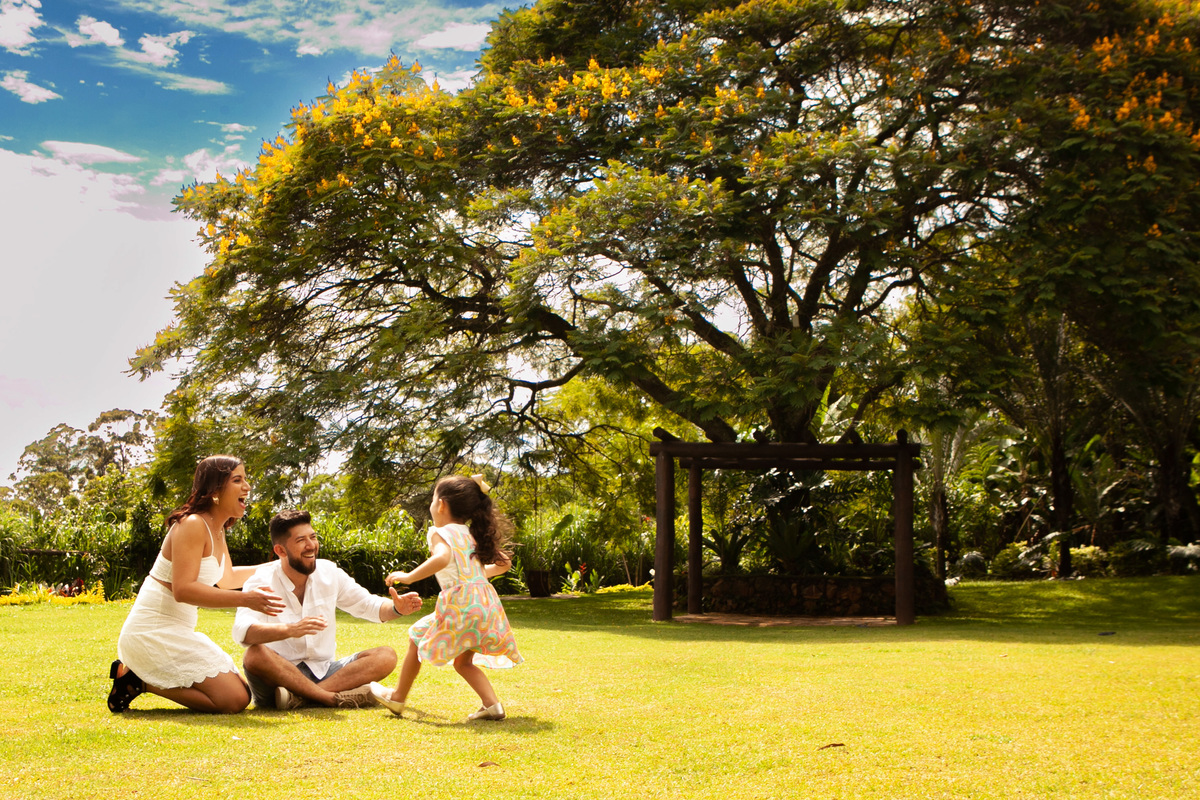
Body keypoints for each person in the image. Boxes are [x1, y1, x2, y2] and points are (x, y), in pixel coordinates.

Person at [108, 455, 286, 714]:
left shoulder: (217, 527)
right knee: (234, 700)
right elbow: (184, 590)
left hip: (178, 632)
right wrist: (246, 599)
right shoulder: (192, 524)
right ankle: (138, 680)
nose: (247, 486)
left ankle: (137, 679)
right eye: (238, 480)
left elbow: (226, 579)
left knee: (242, 693)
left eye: (246, 479)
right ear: (215, 489)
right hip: (152, 633)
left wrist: (280, 565)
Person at [231, 509, 424, 709]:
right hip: (279, 676)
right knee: (254, 655)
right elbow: (242, 632)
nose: (311, 546)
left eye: (313, 537)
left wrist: (397, 608)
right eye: (301, 540)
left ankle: (302, 698)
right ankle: (331, 698)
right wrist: (290, 629)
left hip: (323, 671)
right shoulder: (260, 581)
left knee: (386, 656)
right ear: (280, 551)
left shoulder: (328, 572)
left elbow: (368, 605)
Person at [370, 474, 523, 721]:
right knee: (463, 662)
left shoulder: (441, 533)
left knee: (416, 636)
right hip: (485, 605)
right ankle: (492, 705)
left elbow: (441, 558)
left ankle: (397, 698)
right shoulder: (471, 534)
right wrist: (479, 576)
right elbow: (503, 563)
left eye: (432, 499)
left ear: (440, 504)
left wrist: (408, 576)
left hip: (461, 604)